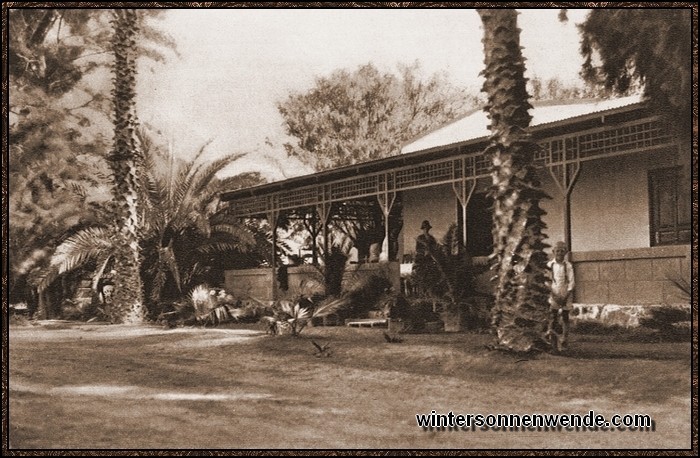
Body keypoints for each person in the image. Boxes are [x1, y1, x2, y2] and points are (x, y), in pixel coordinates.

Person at [547, 241, 575, 350]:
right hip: (553, 293)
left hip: (565, 293)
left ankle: (564, 339)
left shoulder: (568, 265)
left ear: (566, 252)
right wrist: (553, 295)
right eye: (557, 251)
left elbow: (572, 282)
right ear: (553, 252)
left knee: (565, 316)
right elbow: (547, 281)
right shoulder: (550, 265)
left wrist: (566, 296)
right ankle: (552, 340)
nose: (559, 253)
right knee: (553, 316)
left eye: (562, 251)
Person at [412, 220, 438, 295]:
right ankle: (421, 291)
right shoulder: (420, 238)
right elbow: (417, 249)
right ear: (423, 229)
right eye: (424, 228)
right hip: (421, 258)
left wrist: (431, 252)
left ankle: (430, 291)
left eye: (427, 228)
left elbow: (434, 247)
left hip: (430, 258)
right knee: (420, 272)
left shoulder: (432, 238)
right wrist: (424, 252)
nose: (426, 230)